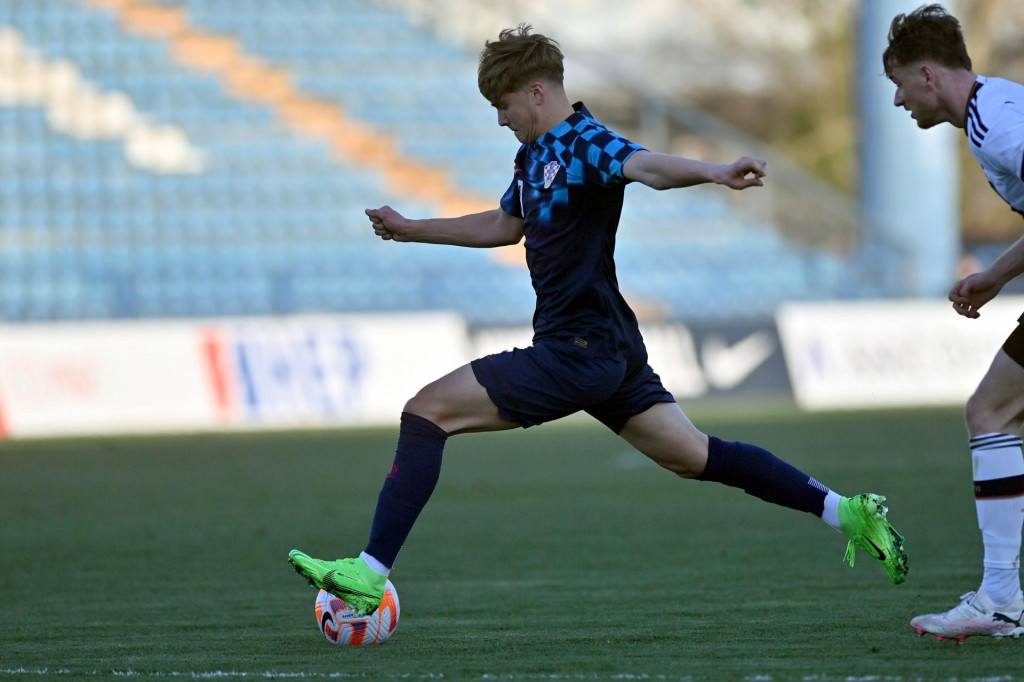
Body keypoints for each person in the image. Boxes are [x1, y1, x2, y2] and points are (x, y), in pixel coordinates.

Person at [288, 24, 908, 617]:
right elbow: (505, 226)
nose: (500, 120)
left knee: (426, 412)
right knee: (692, 455)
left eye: (504, 106)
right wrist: (412, 229)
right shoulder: (532, 157)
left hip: (577, 349)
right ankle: (845, 512)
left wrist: (715, 172)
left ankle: (370, 572)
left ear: (536, 91)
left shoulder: (586, 142)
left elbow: (647, 167)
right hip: (608, 345)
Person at [884, 4, 1024, 641]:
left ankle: (1000, 600)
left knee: (990, 413)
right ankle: (1000, 597)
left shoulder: (996, 127)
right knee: (994, 412)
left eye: (899, 84)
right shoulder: (994, 109)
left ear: (928, 73)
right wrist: (994, 274)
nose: (896, 100)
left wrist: (995, 276)